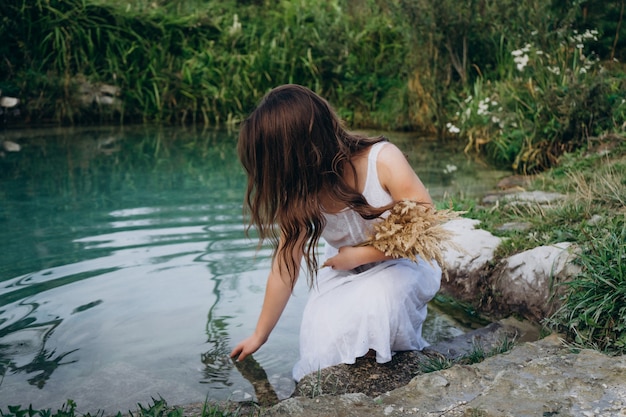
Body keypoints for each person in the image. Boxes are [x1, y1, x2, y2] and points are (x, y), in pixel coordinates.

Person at [229, 84, 441, 381]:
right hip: (345, 270)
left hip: (405, 262)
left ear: (297, 151)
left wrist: (361, 255)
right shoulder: (303, 194)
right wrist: (259, 335)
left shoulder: (382, 160)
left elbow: (426, 227)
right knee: (321, 331)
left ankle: (381, 374)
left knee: (379, 300)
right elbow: (284, 268)